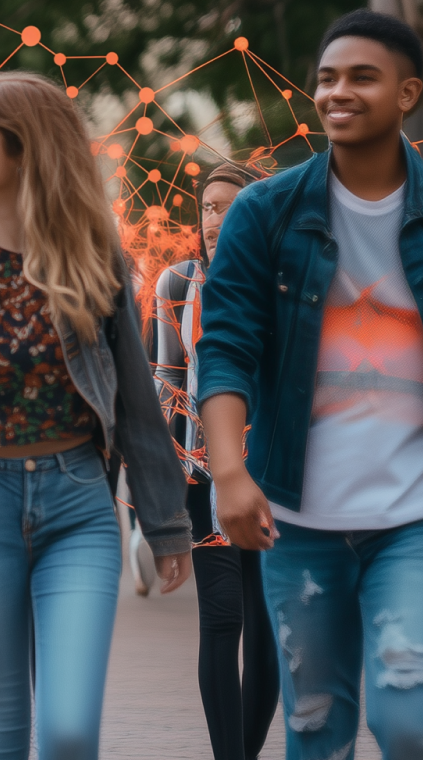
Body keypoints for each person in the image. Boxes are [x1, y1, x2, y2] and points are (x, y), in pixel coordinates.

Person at [196, 9, 423, 760]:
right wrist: (228, 470)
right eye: (326, 78)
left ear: (408, 92)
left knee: (410, 718)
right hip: (299, 516)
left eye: (361, 77)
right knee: (317, 729)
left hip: (420, 514)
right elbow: (225, 350)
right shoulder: (263, 213)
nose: (336, 91)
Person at [0, 70, 192, 760]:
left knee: (70, 731)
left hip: (77, 507)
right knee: (0, 736)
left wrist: (167, 525)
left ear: (26, 148)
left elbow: (138, 403)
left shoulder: (97, 263)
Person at [153, 162, 279, 760]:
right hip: (204, 476)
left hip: (278, 478)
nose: (213, 219)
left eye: (228, 206)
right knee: (221, 617)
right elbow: (166, 381)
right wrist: (162, 477)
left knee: (267, 627)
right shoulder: (177, 284)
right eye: (206, 207)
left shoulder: (285, 280)